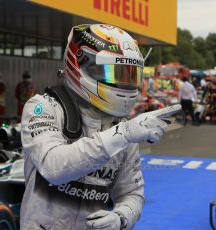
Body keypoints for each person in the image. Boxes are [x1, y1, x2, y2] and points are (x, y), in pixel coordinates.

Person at [20, 24, 174, 229]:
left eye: (129, 74)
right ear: (82, 63)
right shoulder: (43, 106)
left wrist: (122, 217)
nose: (123, 83)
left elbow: (131, 193)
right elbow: (53, 167)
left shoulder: (123, 129)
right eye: (114, 72)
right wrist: (122, 134)